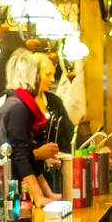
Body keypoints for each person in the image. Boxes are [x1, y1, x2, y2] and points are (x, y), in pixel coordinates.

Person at [0, 48, 59, 209]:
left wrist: (48, 194)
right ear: (32, 76)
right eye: (37, 74)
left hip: (11, 188)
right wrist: (39, 197)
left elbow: (28, 155)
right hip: (7, 192)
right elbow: (19, 154)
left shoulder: (16, 103)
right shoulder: (17, 107)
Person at [35, 54, 75, 192]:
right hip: (30, 176)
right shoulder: (21, 104)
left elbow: (69, 133)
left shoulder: (54, 101)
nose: (52, 79)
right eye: (47, 75)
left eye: (53, 75)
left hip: (54, 175)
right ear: (34, 74)